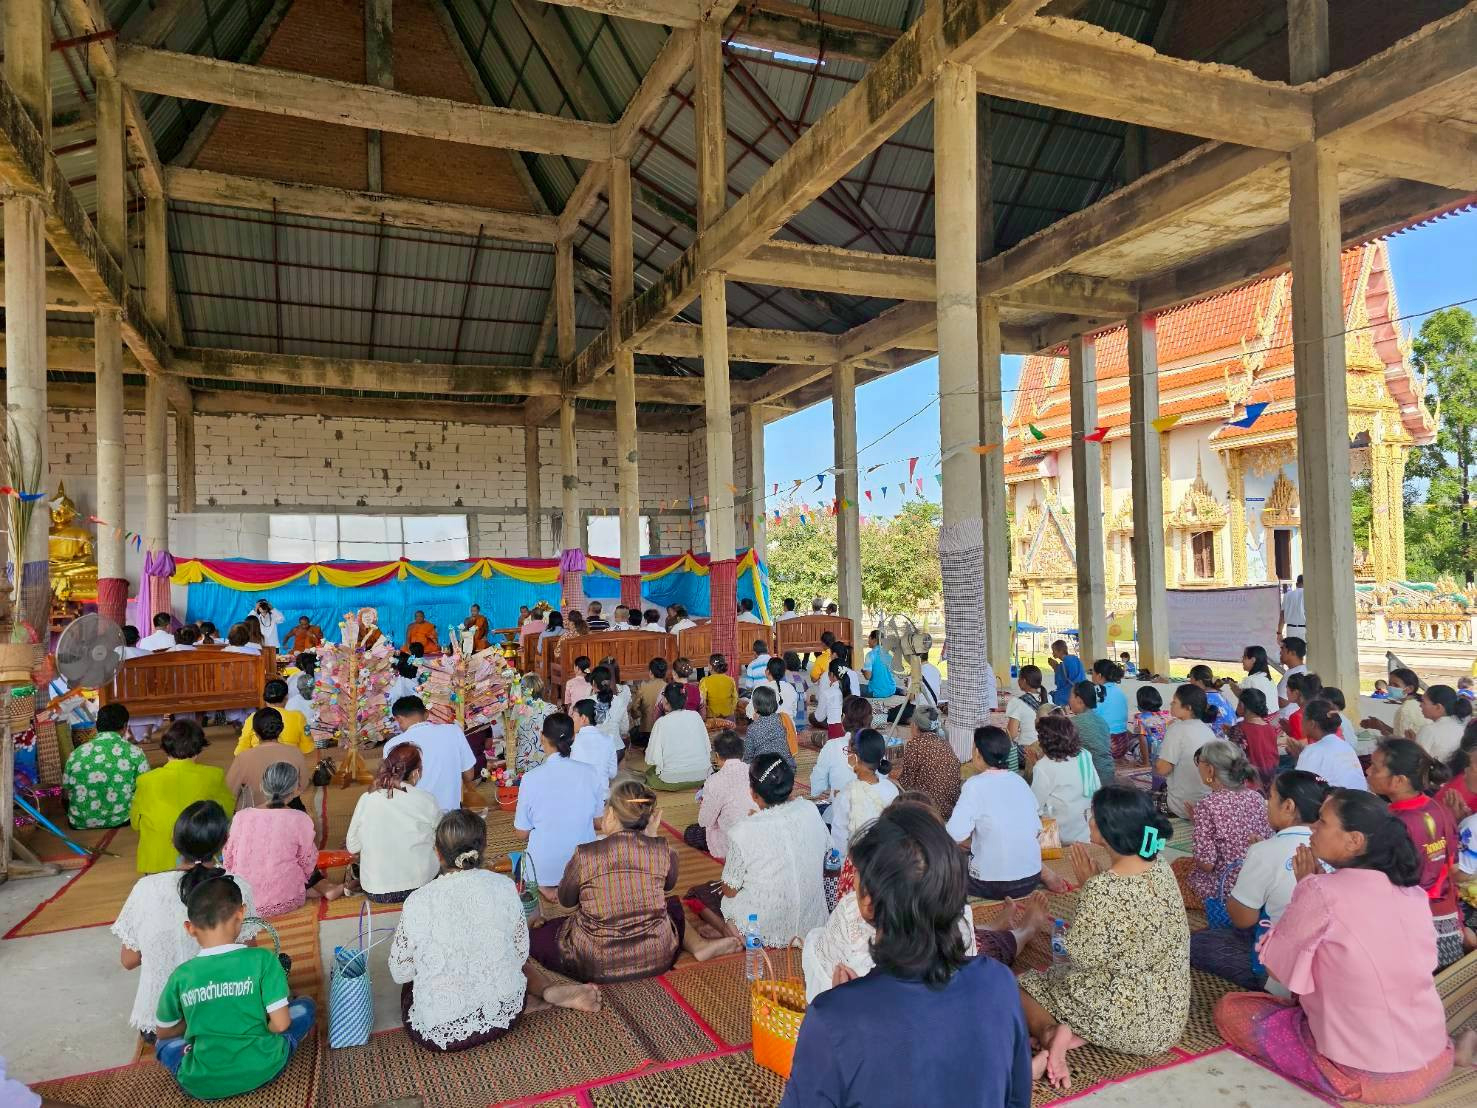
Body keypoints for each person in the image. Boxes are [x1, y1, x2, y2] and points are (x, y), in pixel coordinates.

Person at [782, 803, 1034, 1108]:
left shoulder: (831, 1019)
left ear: (867, 902)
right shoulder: (1000, 984)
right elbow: (1017, 1100)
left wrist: (845, 1014)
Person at [1213, 789, 1455, 1104]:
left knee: (1232, 1010)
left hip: (1365, 1073)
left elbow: (1278, 969)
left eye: (1323, 822)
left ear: (1354, 840)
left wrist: (1303, 889)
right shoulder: (1414, 895)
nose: (1313, 827)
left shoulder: (1321, 891)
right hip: (1432, 1057)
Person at [1018, 787, 1190, 1092]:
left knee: (1024, 985)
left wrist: (1088, 889)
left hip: (1124, 1019)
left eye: (1093, 817)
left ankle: (1052, 1034)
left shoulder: (1103, 889)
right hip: (1166, 1019)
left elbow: (1081, 957)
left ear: (1108, 831)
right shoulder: (1162, 867)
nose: (1090, 821)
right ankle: (1073, 1036)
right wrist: (1092, 887)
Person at [390, 810, 600, 1051]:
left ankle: (514, 997)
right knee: (510, 959)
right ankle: (544, 992)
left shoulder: (417, 900)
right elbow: (521, 955)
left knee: (412, 982)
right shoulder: (504, 886)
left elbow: (400, 972)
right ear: (484, 848)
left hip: (442, 1031)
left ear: (437, 853)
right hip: (505, 1015)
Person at [532, 777, 739, 983]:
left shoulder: (586, 854)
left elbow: (566, 901)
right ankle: (699, 946)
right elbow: (667, 886)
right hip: (657, 955)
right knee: (671, 906)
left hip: (596, 960)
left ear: (611, 814)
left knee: (537, 936)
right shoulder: (664, 851)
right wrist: (652, 836)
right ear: (649, 819)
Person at [152, 868, 315, 1098]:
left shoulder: (181, 975)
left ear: (190, 928)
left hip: (201, 1082)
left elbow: (164, 1032)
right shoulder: (263, 960)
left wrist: (198, 1020)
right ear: (241, 915)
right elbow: (280, 1025)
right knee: (305, 1007)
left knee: (162, 1046)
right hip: (264, 1066)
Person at [113, 801, 261, 1039]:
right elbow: (247, 952)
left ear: (174, 841)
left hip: (161, 1026)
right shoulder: (237, 886)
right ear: (224, 841)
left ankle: (181, 1051)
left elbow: (129, 960)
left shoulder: (145, 888)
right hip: (225, 1016)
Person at [1190, 770, 1328, 991]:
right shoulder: (1338, 848)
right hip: (1328, 966)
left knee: (1199, 943)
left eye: (1271, 797)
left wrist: (1251, 866)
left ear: (1288, 806)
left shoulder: (1265, 851)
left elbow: (1242, 919)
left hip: (1283, 973)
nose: (1266, 804)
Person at [687, 753, 829, 946]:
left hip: (764, 924)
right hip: (812, 920)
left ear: (753, 794)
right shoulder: (810, 810)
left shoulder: (743, 830)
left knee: (704, 894)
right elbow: (827, 853)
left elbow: (730, 890)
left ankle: (730, 933)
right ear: (791, 786)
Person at [1365, 739, 1463, 969]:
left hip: (1416, 927)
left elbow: (1387, 885)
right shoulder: (1439, 808)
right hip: (1448, 918)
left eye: (1376, 767)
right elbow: (1451, 866)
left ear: (1399, 781)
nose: (1368, 771)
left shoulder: (1394, 824)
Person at [224, 762, 341, 914]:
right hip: (286, 898)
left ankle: (316, 889)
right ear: (296, 790)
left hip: (244, 899)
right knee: (302, 868)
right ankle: (323, 888)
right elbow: (308, 863)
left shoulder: (240, 816)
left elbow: (228, 858)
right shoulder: (300, 818)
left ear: (261, 785)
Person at [947, 726, 1046, 899]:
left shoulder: (974, 785)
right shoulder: (1019, 781)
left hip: (990, 884)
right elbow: (1036, 829)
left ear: (977, 753)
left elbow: (953, 834)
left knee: (944, 860)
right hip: (1031, 879)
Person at [513, 713, 605, 896]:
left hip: (543, 870)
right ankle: (576, 887)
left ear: (542, 738)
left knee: (521, 861)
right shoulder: (591, 772)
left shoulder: (530, 779)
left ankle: (544, 887)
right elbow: (598, 823)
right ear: (573, 738)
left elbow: (521, 833)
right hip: (583, 866)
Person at [1171, 741, 1270, 908]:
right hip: (1257, 883)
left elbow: (1207, 864)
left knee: (1174, 872)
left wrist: (1200, 831)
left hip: (1225, 889)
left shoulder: (1208, 805)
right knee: (1183, 864)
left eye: (1199, 763)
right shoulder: (1257, 797)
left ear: (1210, 770)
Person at [132, 720, 235, 874]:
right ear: (199, 749)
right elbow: (226, 812)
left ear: (165, 748)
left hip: (158, 861)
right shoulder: (214, 775)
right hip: (202, 857)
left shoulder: (145, 780)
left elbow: (135, 823)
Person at [345, 743, 440, 905]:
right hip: (422, 884)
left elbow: (352, 846)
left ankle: (354, 882)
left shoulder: (367, 798)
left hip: (377, 891)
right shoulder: (426, 799)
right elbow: (442, 840)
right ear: (416, 772)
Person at [63, 702, 148, 830]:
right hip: (121, 819)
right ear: (125, 727)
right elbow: (146, 788)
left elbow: (65, 793)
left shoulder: (76, 753)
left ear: (97, 725)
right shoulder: (135, 753)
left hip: (79, 821)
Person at [384, 696, 474, 813]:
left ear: (398, 719)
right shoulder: (453, 731)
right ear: (426, 714)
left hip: (413, 816)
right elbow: (469, 775)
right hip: (450, 817)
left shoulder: (392, 744)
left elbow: (391, 787)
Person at [684, 729, 756, 858]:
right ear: (742, 754)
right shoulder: (755, 770)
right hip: (761, 834)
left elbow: (704, 821)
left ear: (716, 756)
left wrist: (705, 803)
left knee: (691, 832)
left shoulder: (714, 781)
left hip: (734, 841)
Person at [828, 729, 899, 861]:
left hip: (857, 867)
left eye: (848, 752)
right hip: (887, 861)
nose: (847, 756)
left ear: (856, 757)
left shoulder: (846, 795)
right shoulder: (892, 789)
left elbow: (839, 842)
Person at [1029, 714, 1100, 844]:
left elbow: (1034, 806)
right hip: (1087, 831)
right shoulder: (1084, 755)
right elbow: (1097, 788)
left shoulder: (1043, 767)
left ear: (1045, 741)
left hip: (1060, 836)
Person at [1156, 684, 1217, 819]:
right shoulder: (1207, 730)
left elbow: (1162, 769)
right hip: (1204, 804)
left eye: (1175, 701)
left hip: (1181, 806)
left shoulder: (1177, 730)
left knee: (1144, 802)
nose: (1171, 704)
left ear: (1188, 708)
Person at [225, 710, 307, 809]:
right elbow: (302, 785)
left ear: (254, 732)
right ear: (281, 728)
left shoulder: (243, 757)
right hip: (288, 808)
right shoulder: (295, 752)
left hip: (254, 813)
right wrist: (284, 799)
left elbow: (229, 791)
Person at [894, 705, 962, 819]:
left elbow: (906, 781)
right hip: (951, 807)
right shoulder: (944, 741)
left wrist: (891, 773)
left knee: (890, 786)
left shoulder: (914, 745)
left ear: (914, 726)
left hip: (929, 810)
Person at [809, 697, 870, 819]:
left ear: (843, 718)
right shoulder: (875, 743)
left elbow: (817, 785)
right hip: (871, 815)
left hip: (839, 815)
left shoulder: (832, 746)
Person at [645, 683, 711, 790]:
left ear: (665, 701)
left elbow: (652, 758)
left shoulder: (661, 723)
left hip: (671, 778)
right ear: (685, 700)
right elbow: (707, 748)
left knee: (650, 773)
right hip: (703, 775)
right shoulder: (696, 716)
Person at [1293, 699, 1367, 791]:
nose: (1301, 723)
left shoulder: (1312, 751)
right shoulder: (1345, 746)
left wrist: (1298, 757)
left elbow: (1302, 787)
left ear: (1312, 724)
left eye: (1303, 719)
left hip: (1339, 802)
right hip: (1360, 799)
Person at [232, 679, 313, 756]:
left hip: (260, 764)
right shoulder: (298, 717)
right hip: (289, 765)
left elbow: (240, 751)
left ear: (265, 699)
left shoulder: (253, 718)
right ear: (286, 697)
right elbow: (307, 748)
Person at [1068, 681, 1114, 788]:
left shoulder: (1073, 723)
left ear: (1079, 701)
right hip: (1108, 775)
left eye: (1070, 696)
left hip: (1089, 779)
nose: (1069, 700)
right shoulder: (1102, 721)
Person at [509, 674, 558, 774]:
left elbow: (512, 737)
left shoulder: (516, 712)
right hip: (547, 759)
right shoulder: (552, 709)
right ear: (542, 689)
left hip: (524, 761)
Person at [1361, 666, 1424, 742]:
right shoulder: (1415, 704)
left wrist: (1382, 728)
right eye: (1390, 684)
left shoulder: (1406, 709)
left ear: (1409, 689)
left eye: (1396, 685)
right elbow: (1400, 733)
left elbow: (1402, 743)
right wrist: (1382, 725)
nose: (1390, 687)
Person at [1229, 687, 1280, 782]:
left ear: (1242, 705)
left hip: (1250, 781)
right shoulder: (1271, 728)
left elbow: (1233, 759)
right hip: (1270, 779)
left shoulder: (1239, 729)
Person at [571, 698, 619, 796]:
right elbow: (612, 773)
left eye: (573, 716)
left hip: (579, 797)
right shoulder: (608, 740)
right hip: (603, 797)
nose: (571, 719)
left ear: (583, 718)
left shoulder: (573, 741)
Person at [743, 685, 796, 770]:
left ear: (755, 708)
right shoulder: (783, 719)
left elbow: (748, 757)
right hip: (788, 770)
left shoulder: (752, 728)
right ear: (775, 703)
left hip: (765, 773)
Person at [1415, 684, 1471, 761]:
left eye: (1423, 702)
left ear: (1438, 707)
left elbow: (1418, 762)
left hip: (1434, 772)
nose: (1420, 705)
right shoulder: (1463, 727)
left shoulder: (1429, 730)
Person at [1222, 645, 1278, 710]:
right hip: (1274, 718)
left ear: (1253, 660)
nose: (1242, 661)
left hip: (1262, 719)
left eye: (1244, 658)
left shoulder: (1250, 680)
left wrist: (1230, 684)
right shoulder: (1268, 679)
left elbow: (1242, 696)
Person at [745, 655, 799, 721]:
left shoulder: (760, 688)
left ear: (767, 671)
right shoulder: (791, 688)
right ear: (783, 673)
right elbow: (794, 713)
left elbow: (750, 713)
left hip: (767, 729)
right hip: (789, 728)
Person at [1091, 659, 1129, 752]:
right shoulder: (1120, 692)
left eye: (1093, 673)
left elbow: (1089, 715)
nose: (1091, 676)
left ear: (1099, 676)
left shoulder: (1097, 692)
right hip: (1122, 744)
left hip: (1106, 746)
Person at [1128, 685, 1169, 767]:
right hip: (1165, 756)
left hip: (1150, 757)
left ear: (1140, 703)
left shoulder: (1139, 718)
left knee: (1128, 736)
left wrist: (1146, 763)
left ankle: (1145, 760)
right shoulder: (1166, 715)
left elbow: (1143, 741)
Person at [630, 658, 668, 747]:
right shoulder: (669, 687)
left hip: (647, 730)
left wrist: (639, 715)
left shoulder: (643, 687)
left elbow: (634, 709)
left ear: (650, 672)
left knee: (633, 733)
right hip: (665, 730)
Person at [1004, 665, 1044, 751]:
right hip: (1047, 748)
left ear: (1024, 681)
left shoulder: (1017, 702)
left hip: (1028, 750)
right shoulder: (1049, 699)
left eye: (1019, 678)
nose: (1018, 681)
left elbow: (1011, 734)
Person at [815, 656, 855, 739]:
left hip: (835, 737)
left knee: (813, 719)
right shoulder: (850, 692)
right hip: (851, 737)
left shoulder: (827, 693)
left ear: (831, 674)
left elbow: (819, 717)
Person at [1188, 665, 1235, 735]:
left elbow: (1193, 722)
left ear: (1199, 682)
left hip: (1216, 739)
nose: (1190, 682)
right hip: (1231, 737)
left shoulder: (1203, 698)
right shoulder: (1219, 694)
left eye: (1191, 679)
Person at [1046, 639, 1086, 707]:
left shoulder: (1065, 663)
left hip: (1072, 691)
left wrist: (1055, 667)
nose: (1053, 653)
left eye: (1054, 651)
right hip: (1083, 689)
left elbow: (1060, 683)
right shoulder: (1075, 658)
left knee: (1050, 697)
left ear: (1060, 651)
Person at [699, 654, 738, 721]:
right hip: (729, 717)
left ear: (710, 667)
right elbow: (735, 698)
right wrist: (731, 711)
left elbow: (702, 701)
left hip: (712, 718)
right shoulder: (730, 680)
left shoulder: (704, 681)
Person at [1276, 636, 1307, 718]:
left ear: (1292, 653)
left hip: (1287, 720)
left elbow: (1282, 702)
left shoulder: (1294, 673)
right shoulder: (1300, 670)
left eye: (1282, 649)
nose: (1280, 653)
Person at [861, 629, 897, 699]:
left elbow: (868, 677)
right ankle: (900, 691)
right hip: (892, 689)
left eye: (869, 638)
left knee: (854, 687)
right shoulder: (890, 654)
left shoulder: (870, 655)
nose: (868, 641)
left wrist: (865, 672)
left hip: (877, 692)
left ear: (874, 639)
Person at [1278, 573, 1305, 642]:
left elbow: (1282, 616)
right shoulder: (1308, 594)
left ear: (1296, 584)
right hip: (1305, 629)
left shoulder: (1287, 595)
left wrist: (1279, 633)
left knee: (1292, 651)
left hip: (1290, 629)